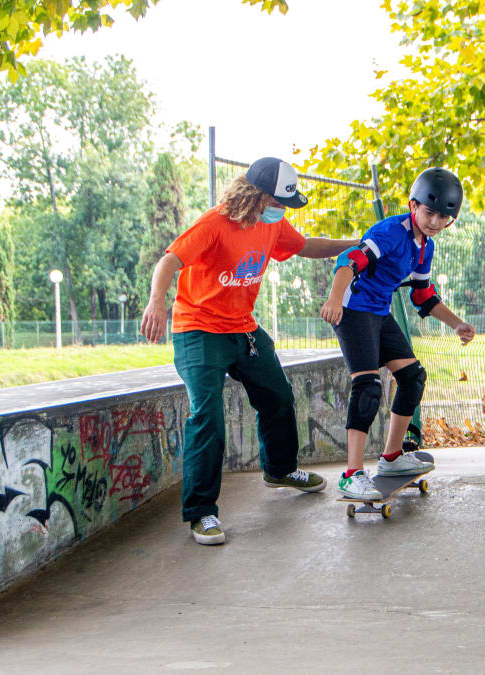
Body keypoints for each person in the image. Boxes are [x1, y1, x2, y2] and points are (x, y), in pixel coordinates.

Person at [141, 157, 358, 545]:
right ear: (257, 196)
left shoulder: (271, 225)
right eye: (278, 204)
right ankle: (201, 512)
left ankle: (280, 470)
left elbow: (308, 245)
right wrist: (158, 301)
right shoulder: (215, 223)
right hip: (198, 330)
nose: (282, 213)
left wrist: (358, 244)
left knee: (277, 397)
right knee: (207, 415)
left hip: (243, 328)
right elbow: (169, 260)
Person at [320, 167, 476, 500]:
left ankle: (390, 458)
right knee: (368, 388)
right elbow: (352, 259)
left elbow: (422, 294)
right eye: (429, 212)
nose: (434, 221)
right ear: (413, 205)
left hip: (379, 312)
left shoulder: (425, 247)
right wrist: (335, 298)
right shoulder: (392, 231)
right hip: (352, 310)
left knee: (413, 377)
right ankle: (351, 474)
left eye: (443, 217)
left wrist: (457, 324)